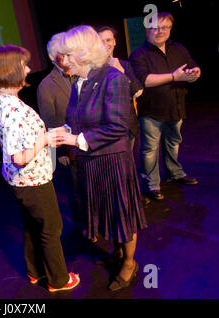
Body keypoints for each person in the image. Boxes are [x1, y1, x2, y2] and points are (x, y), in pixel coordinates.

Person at [55, 25, 147, 291]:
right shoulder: (78, 84)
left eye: (68, 55)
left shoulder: (114, 79)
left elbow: (118, 126)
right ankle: (119, 251)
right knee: (108, 213)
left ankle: (129, 262)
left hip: (113, 162)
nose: (64, 60)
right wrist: (67, 131)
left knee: (123, 215)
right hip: (91, 162)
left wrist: (76, 140)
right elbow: (79, 121)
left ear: (83, 54)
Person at [0, 44, 80, 292]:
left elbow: (21, 139)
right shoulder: (12, 109)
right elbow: (18, 156)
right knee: (51, 228)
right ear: (12, 70)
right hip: (32, 180)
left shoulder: (0, 97)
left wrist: (47, 133)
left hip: (19, 181)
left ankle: (35, 272)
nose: (28, 69)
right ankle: (59, 280)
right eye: (24, 65)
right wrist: (45, 140)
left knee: (31, 225)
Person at [129, 12, 201, 200]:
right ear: (147, 30)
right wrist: (174, 77)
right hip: (152, 111)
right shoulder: (139, 54)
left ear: (170, 29)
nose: (160, 31)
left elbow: (192, 66)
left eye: (165, 27)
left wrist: (195, 72)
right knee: (150, 150)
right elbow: (144, 80)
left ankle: (174, 173)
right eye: (155, 27)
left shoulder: (178, 48)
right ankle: (152, 185)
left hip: (176, 107)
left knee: (173, 144)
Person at [36, 32, 82, 236]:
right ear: (53, 56)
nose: (68, 56)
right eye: (63, 52)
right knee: (75, 190)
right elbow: (49, 121)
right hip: (67, 149)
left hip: (89, 142)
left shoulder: (82, 73)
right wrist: (61, 151)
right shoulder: (46, 85)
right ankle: (83, 226)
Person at [97, 26, 144, 151]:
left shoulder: (124, 65)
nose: (106, 44)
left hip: (127, 127)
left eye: (108, 40)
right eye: (101, 41)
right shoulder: (92, 69)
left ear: (114, 42)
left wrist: (121, 71)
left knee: (128, 164)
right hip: (104, 127)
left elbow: (137, 92)